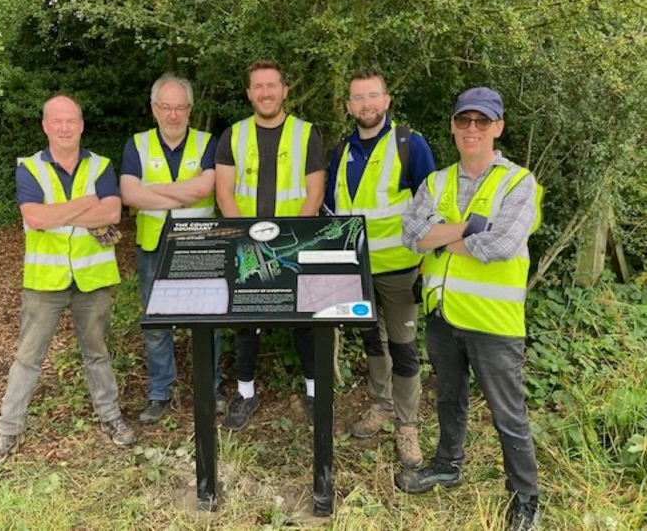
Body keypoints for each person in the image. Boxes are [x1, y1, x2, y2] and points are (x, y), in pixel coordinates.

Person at [398, 87, 542, 530]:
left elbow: (501, 244)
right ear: (454, 127)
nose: (472, 129)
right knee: (449, 398)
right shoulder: (437, 181)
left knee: (508, 412)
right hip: (442, 315)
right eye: (465, 121)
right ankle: (447, 464)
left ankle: (525, 499)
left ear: (498, 127)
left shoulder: (519, 182)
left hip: (492, 322)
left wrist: (441, 238)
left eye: (483, 121)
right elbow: (410, 235)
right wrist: (469, 231)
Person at [0, 95, 135, 470]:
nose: (64, 128)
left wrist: (59, 214)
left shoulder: (101, 164)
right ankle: (7, 431)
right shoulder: (29, 168)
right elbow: (35, 218)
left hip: (93, 278)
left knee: (97, 352)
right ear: (45, 126)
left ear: (81, 125)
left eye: (71, 121)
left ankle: (110, 415)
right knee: (27, 358)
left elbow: (113, 212)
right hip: (44, 281)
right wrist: (86, 203)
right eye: (57, 121)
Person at [323, 68, 436, 468]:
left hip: (401, 269)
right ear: (349, 105)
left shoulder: (410, 144)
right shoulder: (340, 150)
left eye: (373, 96)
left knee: (404, 349)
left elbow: (432, 207)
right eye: (358, 97)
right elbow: (333, 211)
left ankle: (408, 426)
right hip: (358, 270)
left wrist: (428, 263)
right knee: (374, 343)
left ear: (386, 100)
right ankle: (381, 405)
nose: (367, 104)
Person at [215, 59, 326, 429]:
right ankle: (245, 394)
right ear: (249, 93)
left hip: (295, 245)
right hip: (248, 247)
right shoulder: (233, 134)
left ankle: (314, 390)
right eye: (258, 87)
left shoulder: (307, 134)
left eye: (272, 85)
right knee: (247, 320)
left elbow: (314, 194)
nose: (265, 93)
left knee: (304, 317)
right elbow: (225, 193)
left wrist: (290, 247)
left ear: (284, 90)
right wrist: (248, 242)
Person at [121, 74, 225, 424]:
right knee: (156, 321)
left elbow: (206, 189)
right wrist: (185, 189)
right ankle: (159, 392)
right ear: (154, 109)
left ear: (190, 109)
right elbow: (130, 194)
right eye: (166, 106)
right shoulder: (137, 144)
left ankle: (211, 388)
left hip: (200, 243)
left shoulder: (209, 142)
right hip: (154, 244)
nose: (173, 114)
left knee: (207, 318)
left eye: (180, 107)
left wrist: (159, 191)